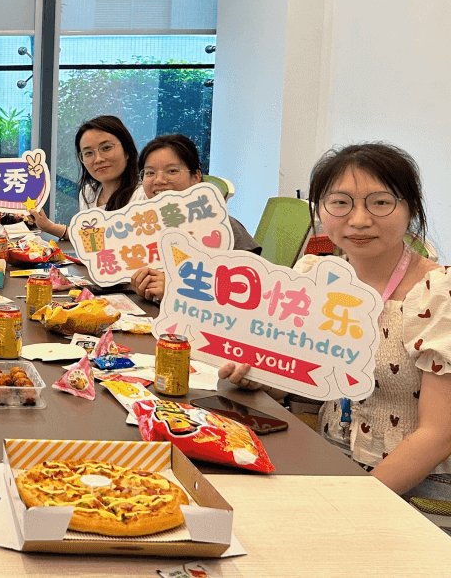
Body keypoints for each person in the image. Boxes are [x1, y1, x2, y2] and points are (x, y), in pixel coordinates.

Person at [219, 143, 451, 512]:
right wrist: (262, 376)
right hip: (327, 461)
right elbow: (306, 378)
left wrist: (351, 503)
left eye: (380, 203)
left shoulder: (437, 295)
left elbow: (438, 435)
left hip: (414, 494)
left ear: (410, 209)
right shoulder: (318, 277)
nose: (358, 220)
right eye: (340, 203)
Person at [129, 134, 261, 302]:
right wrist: (144, 284)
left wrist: (179, 288)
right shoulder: (144, 229)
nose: (159, 180)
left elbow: (252, 290)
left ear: (196, 177)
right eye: (150, 173)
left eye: (172, 171)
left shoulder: (224, 226)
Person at [29, 115, 145, 238]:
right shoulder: (88, 193)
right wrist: (47, 226)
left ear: (127, 150)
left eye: (106, 148)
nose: (98, 159)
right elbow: (88, 237)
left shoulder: (143, 196)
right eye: (88, 153)